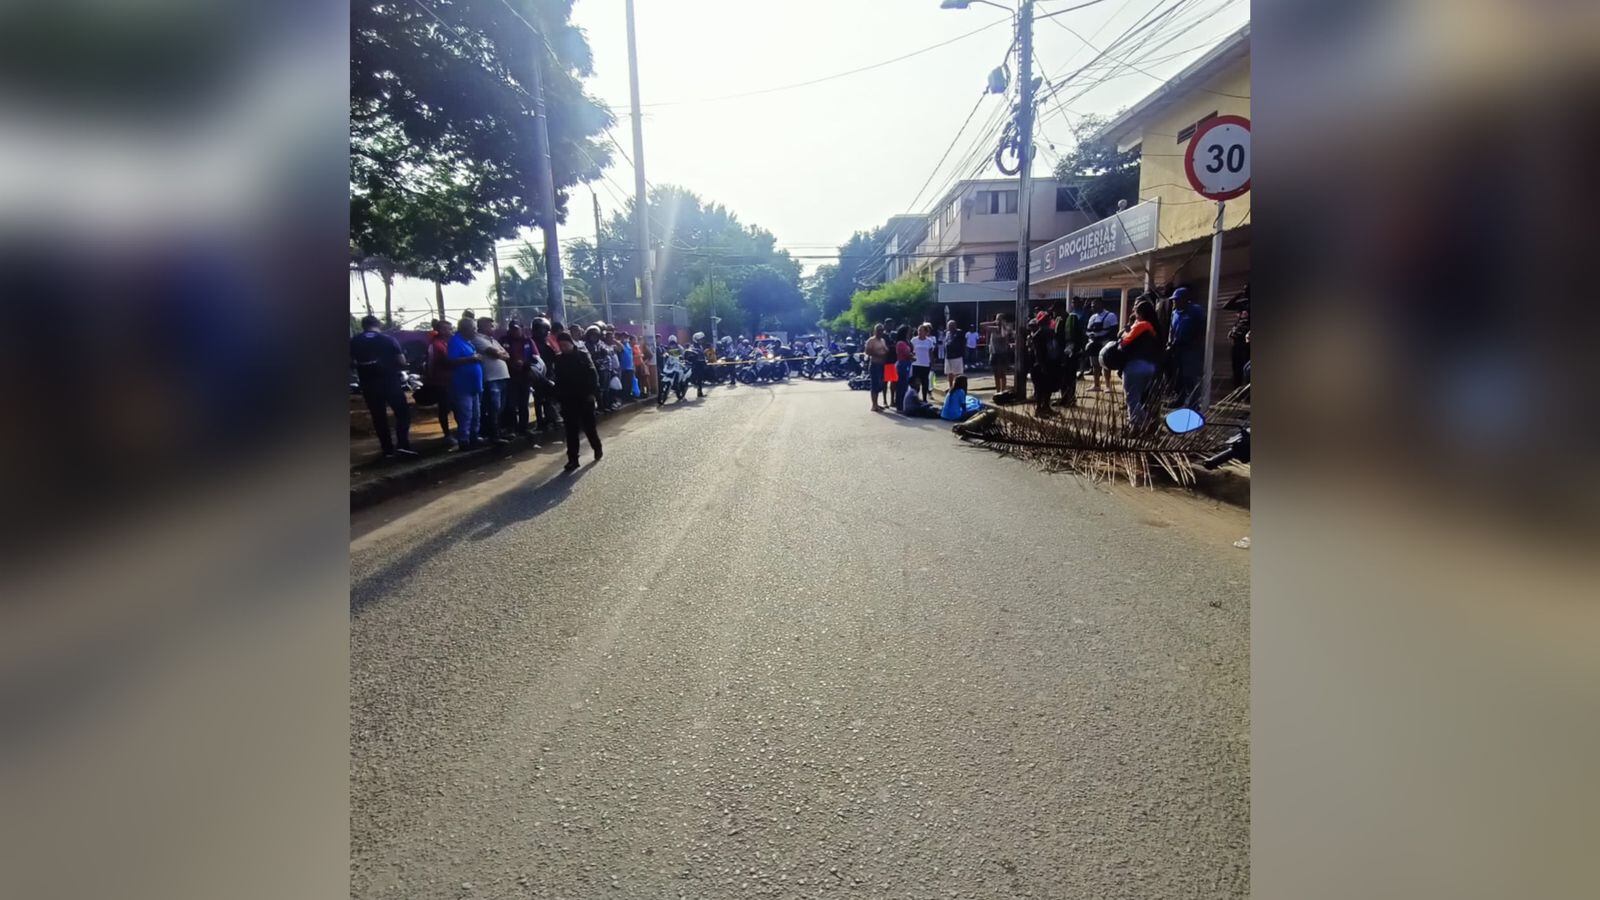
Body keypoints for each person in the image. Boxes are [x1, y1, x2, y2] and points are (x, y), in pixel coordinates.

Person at [350, 315, 417, 459]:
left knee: (378, 417)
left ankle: (387, 449)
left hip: (368, 385)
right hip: (389, 382)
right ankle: (403, 445)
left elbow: (351, 363)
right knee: (402, 414)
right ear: (378, 324)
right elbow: (401, 361)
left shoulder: (354, 341)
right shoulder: (388, 339)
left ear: (363, 326)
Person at [551, 331, 603, 471]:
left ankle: (597, 448)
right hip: (568, 400)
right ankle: (573, 460)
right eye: (560, 345)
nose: (563, 347)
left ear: (571, 343)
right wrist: (558, 396)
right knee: (571, 432)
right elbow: (558, 380)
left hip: (585, 397)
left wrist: (592, 393)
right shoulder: (559, 359)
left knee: (589, 428)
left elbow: (593, 375)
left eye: (565, 344)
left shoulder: (583, 355)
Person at [1119, 299, 1164, 428]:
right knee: (1144, 399)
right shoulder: (1156, 328)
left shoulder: (1141, 326)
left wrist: (1126, 332)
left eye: (1136, 312)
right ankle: (1150, 423)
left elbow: (1124, 344)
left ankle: (1139, 425)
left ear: (1141, 313)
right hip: (1151, 368)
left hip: (1135, 366)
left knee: (1132, 399)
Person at [471, 317, 512, 445]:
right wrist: (501, 354)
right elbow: (496, 354)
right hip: (491, 378)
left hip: (502, 377)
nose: (492, 327)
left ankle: (498, 432)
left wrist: (501, 354)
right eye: (489, 325)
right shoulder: (477, 339)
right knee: (493, 408)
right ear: (482, 326)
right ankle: (493, 435)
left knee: (501, 408)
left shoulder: (493, 340)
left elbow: (507, 355)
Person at [448, 316, 486, 449]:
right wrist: (471, 358)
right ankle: (464, 441)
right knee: (466, 415)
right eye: (474, 328)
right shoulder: (455, 341)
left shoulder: (468, 341)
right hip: (463, 386)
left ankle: (474, 437)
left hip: (474, 385)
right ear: (466, 329)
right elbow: (451, 361)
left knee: (476, 414)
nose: (476, 331)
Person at [1165, 286, 1205, 408]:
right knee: (1179, 377)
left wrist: (1196, 342)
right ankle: (1180, 398)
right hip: (1177, 349)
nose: (1175, 302)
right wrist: (1170, 343)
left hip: (1191, 349)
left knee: (1191, 377)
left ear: (1185, 299)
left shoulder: (1195, 310)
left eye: (1177, 300)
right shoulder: (1174, 313)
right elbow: (1171, 330)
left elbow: (1202, 328)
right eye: (1173, 300)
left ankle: (1194, 403)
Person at [502, 320, 537, 437]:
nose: (515, 331)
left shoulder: (528, 341)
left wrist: (524, 363)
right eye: (512, 329)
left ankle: (524, 428)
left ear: (522, 329)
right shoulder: (503, 341)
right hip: (510, 376)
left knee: (523, 404)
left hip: (525, 375)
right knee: (511, 404)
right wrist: (512, 363)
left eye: (517, 329)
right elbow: (500, 356)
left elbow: (535, 357)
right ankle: (511, 428)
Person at [425, 319, 456, 446]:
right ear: (442, 330)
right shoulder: (435, 344)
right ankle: (447, 434)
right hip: (441, 382)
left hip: (453, 380)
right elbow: (430, 363)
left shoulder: (449, 343)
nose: (451, 331)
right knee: (444, 408)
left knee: (456, 406)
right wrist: (431, 379)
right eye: (449, 329)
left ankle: (459, 431)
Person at [1027, 309, 1062, 416]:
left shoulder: (1051, 333)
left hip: (1050, 363)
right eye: (1046, 320)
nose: (1048, 321)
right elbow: (1037, 353)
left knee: (1048, 388)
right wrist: (1042, 365)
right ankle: (1039, 409)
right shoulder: (1038, 336)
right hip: (1041, 365)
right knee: (1040, 388)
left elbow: (1055, 349)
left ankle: (1046, 407)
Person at [529, 317, 560, 432]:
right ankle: (541, 422)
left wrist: (552, 377)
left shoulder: (547, 345)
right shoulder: (531, 343)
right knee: (538, 400)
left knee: (549, 399)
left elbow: (553, 360)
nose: (542, 332)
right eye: (539, 329)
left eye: (544, 330)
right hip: (536, 375)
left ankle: (551, 420)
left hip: (549, 374)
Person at [1086, 298, 1119, 393]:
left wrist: (1103, 338)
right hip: (1094, 343)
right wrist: (1091, 336)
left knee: (1105, 364)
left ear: (1100, 304)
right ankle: (1096, 385)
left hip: (1105, 343)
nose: (1093, 308)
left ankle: (1108, 385)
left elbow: (1114, 330)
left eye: (1094, 306)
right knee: (1095, 365)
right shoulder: (1092, 317)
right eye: (1092, 306)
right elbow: (1088, 330)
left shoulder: (1110, 315)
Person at [1054, 299, 1083, 408]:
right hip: (1061, 354)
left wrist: (1074, 351)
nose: (1054, 312)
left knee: (1070, 378)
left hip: (1070, 354)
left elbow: (1076, 337)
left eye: (1055, 310)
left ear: (1060, 308)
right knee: (1062, 377)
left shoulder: (1071, 318)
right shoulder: (1058, 319)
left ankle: (1070, 399)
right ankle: (1064, 398)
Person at [982, 313, 1015, 395]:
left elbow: (1005, 334)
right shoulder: (993, 329)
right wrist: (993, 322)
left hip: (1003, 354)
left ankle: (1003, 391)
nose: (998, 321)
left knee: (1002, 373)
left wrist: (1002, 325)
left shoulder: (1006, 329)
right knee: (996, 374)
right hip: (994, 353)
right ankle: (997, 391)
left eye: (1000, 319)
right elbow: (982, 325)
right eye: (997, 319)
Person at [864, 323, 890, 412]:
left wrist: (886, 352)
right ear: (875, 331)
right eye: (879, 330)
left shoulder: (882, 340)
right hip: (875, 365)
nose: (880, 332)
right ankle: (874, 405)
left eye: (882, 330)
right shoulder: (871, 341)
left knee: (881, 384)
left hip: (882, 364)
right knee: (875, 385)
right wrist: (878, 354)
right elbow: (867, 352)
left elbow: (886, 349)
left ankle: (877, 403)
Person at [910, 323, 937, 401]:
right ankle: (915, 398)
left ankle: (924, 399)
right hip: (916, 364)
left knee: (925, 382)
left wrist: (932, 364)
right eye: (918, 330)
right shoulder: (914, 340)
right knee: (915, 383)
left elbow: (931, 353)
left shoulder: (929, 341)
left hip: (925, 364)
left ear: (926, 332)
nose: (919, 332)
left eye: (921, 331)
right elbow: (911, 351)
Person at [892, 325, 914, 409]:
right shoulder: (900, 343)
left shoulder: (907, 342)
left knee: (905, 385)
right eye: (909, 332)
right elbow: (907, 354)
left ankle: (903, 404)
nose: (910, 333)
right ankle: (900, 405)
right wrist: (911, 356)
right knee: (901, 385)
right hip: (903, 364)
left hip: (907, 364)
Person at [942, 319, 965, 387]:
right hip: (948, 356)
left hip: (957, 356)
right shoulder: (947, 333)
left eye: (952, 326)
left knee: (958, 373)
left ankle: (957, 386)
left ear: (955, 326)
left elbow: (962, 343)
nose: (950, 327)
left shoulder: (959, 332)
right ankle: (950, 386)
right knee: (949, 373)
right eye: (949, 326)